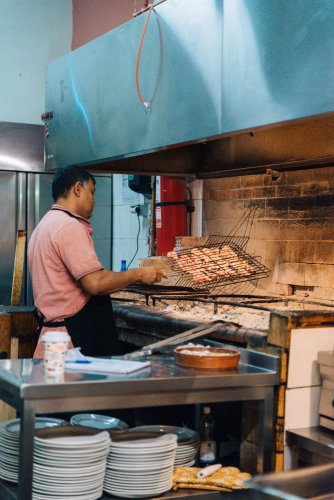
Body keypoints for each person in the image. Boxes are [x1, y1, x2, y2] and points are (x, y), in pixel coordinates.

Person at [28, 166, 167, 358]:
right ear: (78, 189)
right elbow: (95, 283)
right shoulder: (69, 226)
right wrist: (140, 274)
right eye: (91, 192)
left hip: (52, 342)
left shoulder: (44, 225)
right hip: (72, 346)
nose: (94, 200)